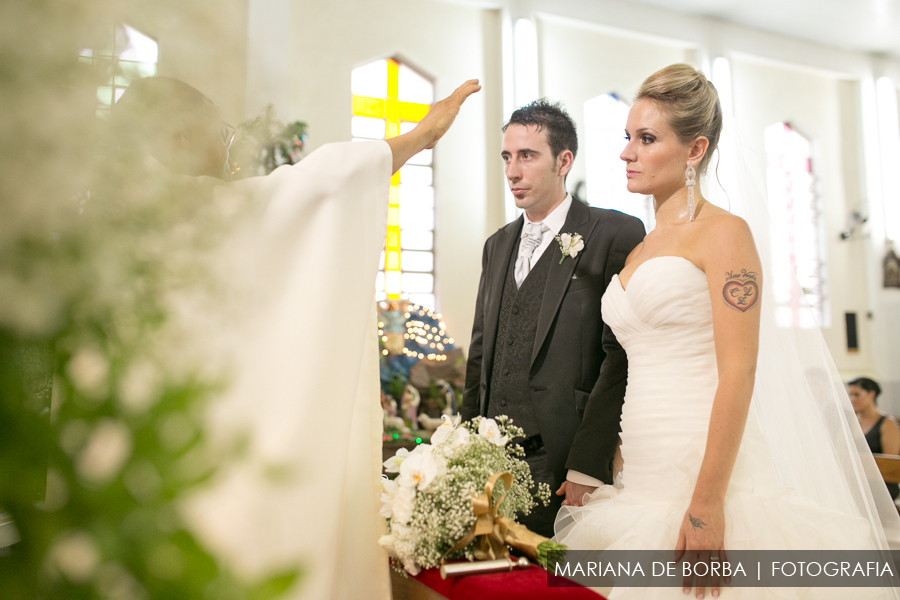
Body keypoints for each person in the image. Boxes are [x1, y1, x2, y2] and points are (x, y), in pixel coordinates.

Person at [111, 76, 480, 600]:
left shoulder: (116, 218)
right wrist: (420, 135)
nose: (227, 149)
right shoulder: (178, 208)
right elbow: (321, 187)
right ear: (173, 140)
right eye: (218, 133)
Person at [554, 64, 900, 599]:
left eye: (647, 139)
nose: (627, 152)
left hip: (707, 478)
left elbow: (739, 369)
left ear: (694, 150)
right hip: (641, 478)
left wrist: (708, 503)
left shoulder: (725, 235)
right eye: (628, 137)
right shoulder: (641, 247)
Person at [460, 99, 645, 538]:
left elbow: (619, 359)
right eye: (507, 156)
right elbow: (481, 350)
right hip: (490, 461)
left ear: (564, 161)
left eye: (527, 155)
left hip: (564, 462)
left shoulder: (614, 233)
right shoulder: (497, 245)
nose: (512, 171)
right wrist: (464, 449)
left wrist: (588, 462)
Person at [850, 376, 900, 499]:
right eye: (850, 395)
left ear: (871, 394)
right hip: (855, 481)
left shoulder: (887, 423)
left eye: (857, 394)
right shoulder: (850, 423)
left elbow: (890, 463)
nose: (852, 399)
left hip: (881, 485)